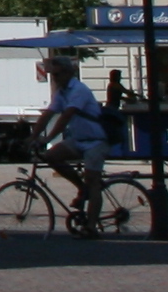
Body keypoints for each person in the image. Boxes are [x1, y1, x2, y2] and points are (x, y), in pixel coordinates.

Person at [35, 52, 113, 236]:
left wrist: (48, 138)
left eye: (57, 74)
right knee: (52, 156)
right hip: (78, 139)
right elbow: (48, 114)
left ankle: (91, 227)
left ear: (68, 73)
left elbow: (66, 116)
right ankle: (81, 188)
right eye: (53, 75)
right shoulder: (61, 92)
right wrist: (32, 136)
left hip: (96, 141)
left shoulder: (79, 90)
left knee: (93, 181)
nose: (55, 78)